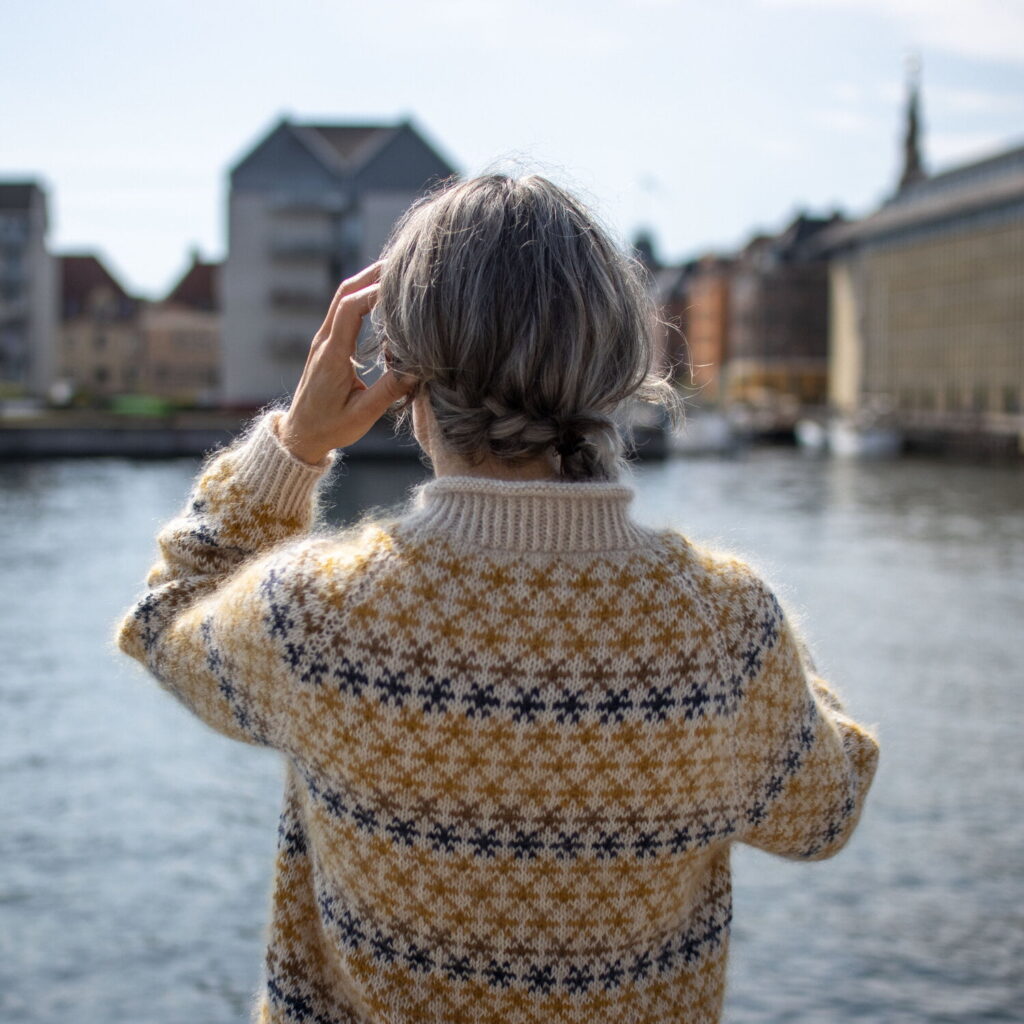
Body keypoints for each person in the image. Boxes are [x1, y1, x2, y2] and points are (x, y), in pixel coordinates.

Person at [116, 174, 879, 1024]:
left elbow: (165, 618)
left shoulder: (316, 615)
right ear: (618, 362)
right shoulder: (724, 628)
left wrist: (294, 446)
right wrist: (770, 656)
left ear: (400, 376)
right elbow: (825, 811)